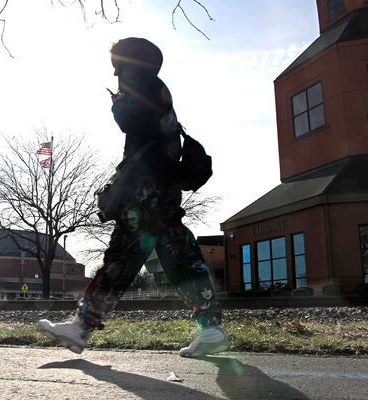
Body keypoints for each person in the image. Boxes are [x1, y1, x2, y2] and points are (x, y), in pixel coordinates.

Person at [38, 37, 227, 358]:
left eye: (119, 66)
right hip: (162, 188)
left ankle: (81, 327)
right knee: (176, 255)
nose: (116, 74)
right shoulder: (160, 91)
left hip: (145, 191)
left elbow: (129, 119)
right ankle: (210, 328)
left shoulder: (142, 85)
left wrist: (118, 100)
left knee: (120, 261)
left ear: (131, 64)